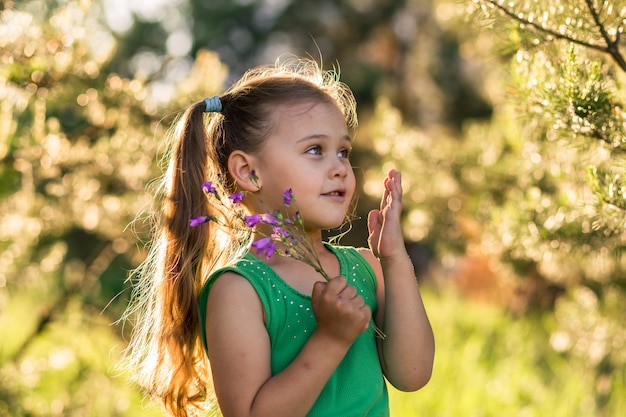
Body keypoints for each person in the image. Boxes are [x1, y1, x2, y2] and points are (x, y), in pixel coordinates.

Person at [122, 57, 434, 417]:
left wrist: (395, 260)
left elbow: (413, 375)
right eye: (315, 150)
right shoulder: (240, 290)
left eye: (344, 152)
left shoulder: (367, 268)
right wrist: (331, 338)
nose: (340, 168)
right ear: (249, 172)